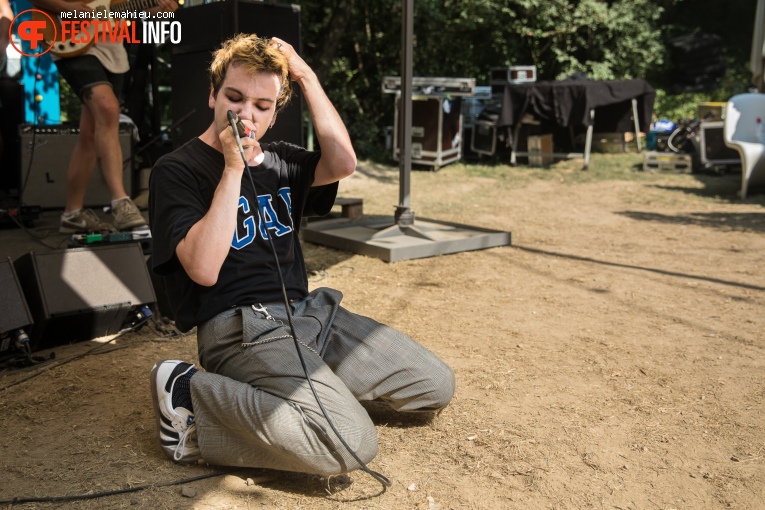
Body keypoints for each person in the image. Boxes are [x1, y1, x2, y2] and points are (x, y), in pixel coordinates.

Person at [148, 33, 455, 476]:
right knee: (349, 444)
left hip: (308, 314)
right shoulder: (176, 169)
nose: (245, 115)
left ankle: (311, 393)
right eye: (234, 98)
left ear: (275, 114)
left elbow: (343, 162)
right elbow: (202, 268)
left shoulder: (282, 160)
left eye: (261, 106)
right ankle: (190, 395)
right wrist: (233, 167)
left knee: (434, 385)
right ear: (213, 94)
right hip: (239, 327)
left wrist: (307, 76)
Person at [29, 0, 177, 233]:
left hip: (110, 44)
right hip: (68, 35)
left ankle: (72, 215)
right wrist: (69, 9)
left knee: (90, 134)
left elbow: (122, 8)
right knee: (108, 109)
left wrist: (155, 9)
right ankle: (121, 202)